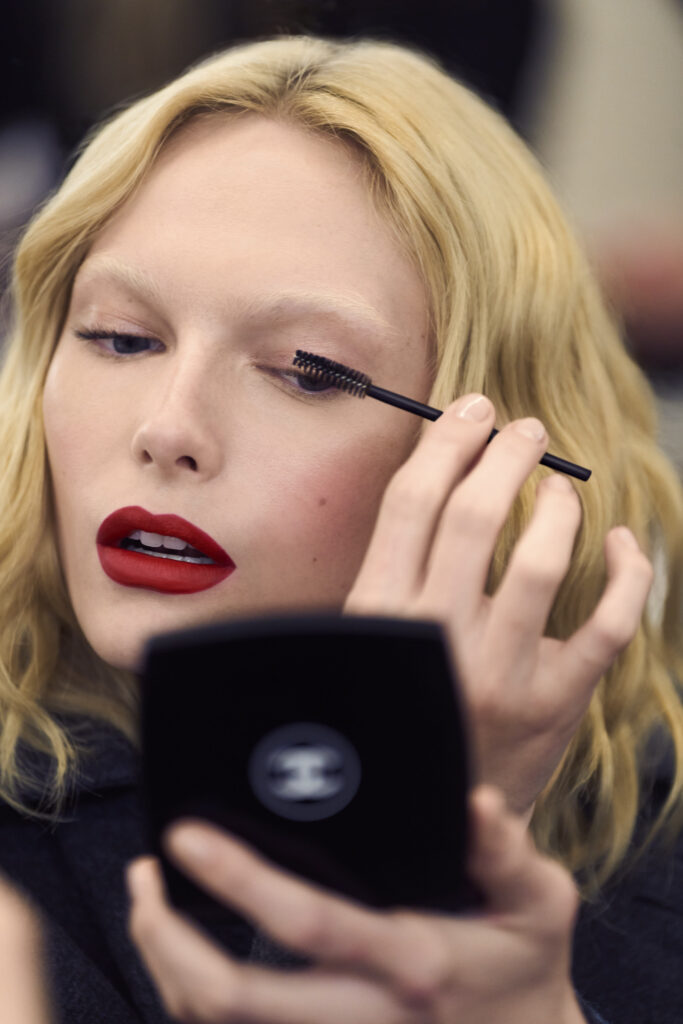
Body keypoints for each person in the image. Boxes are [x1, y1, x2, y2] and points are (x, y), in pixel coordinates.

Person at [0, 33, 681, 1024]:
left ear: (494, 458)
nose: (167, 429)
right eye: (119, 337)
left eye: (306, 369)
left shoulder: (649, 848)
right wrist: (387, 816)